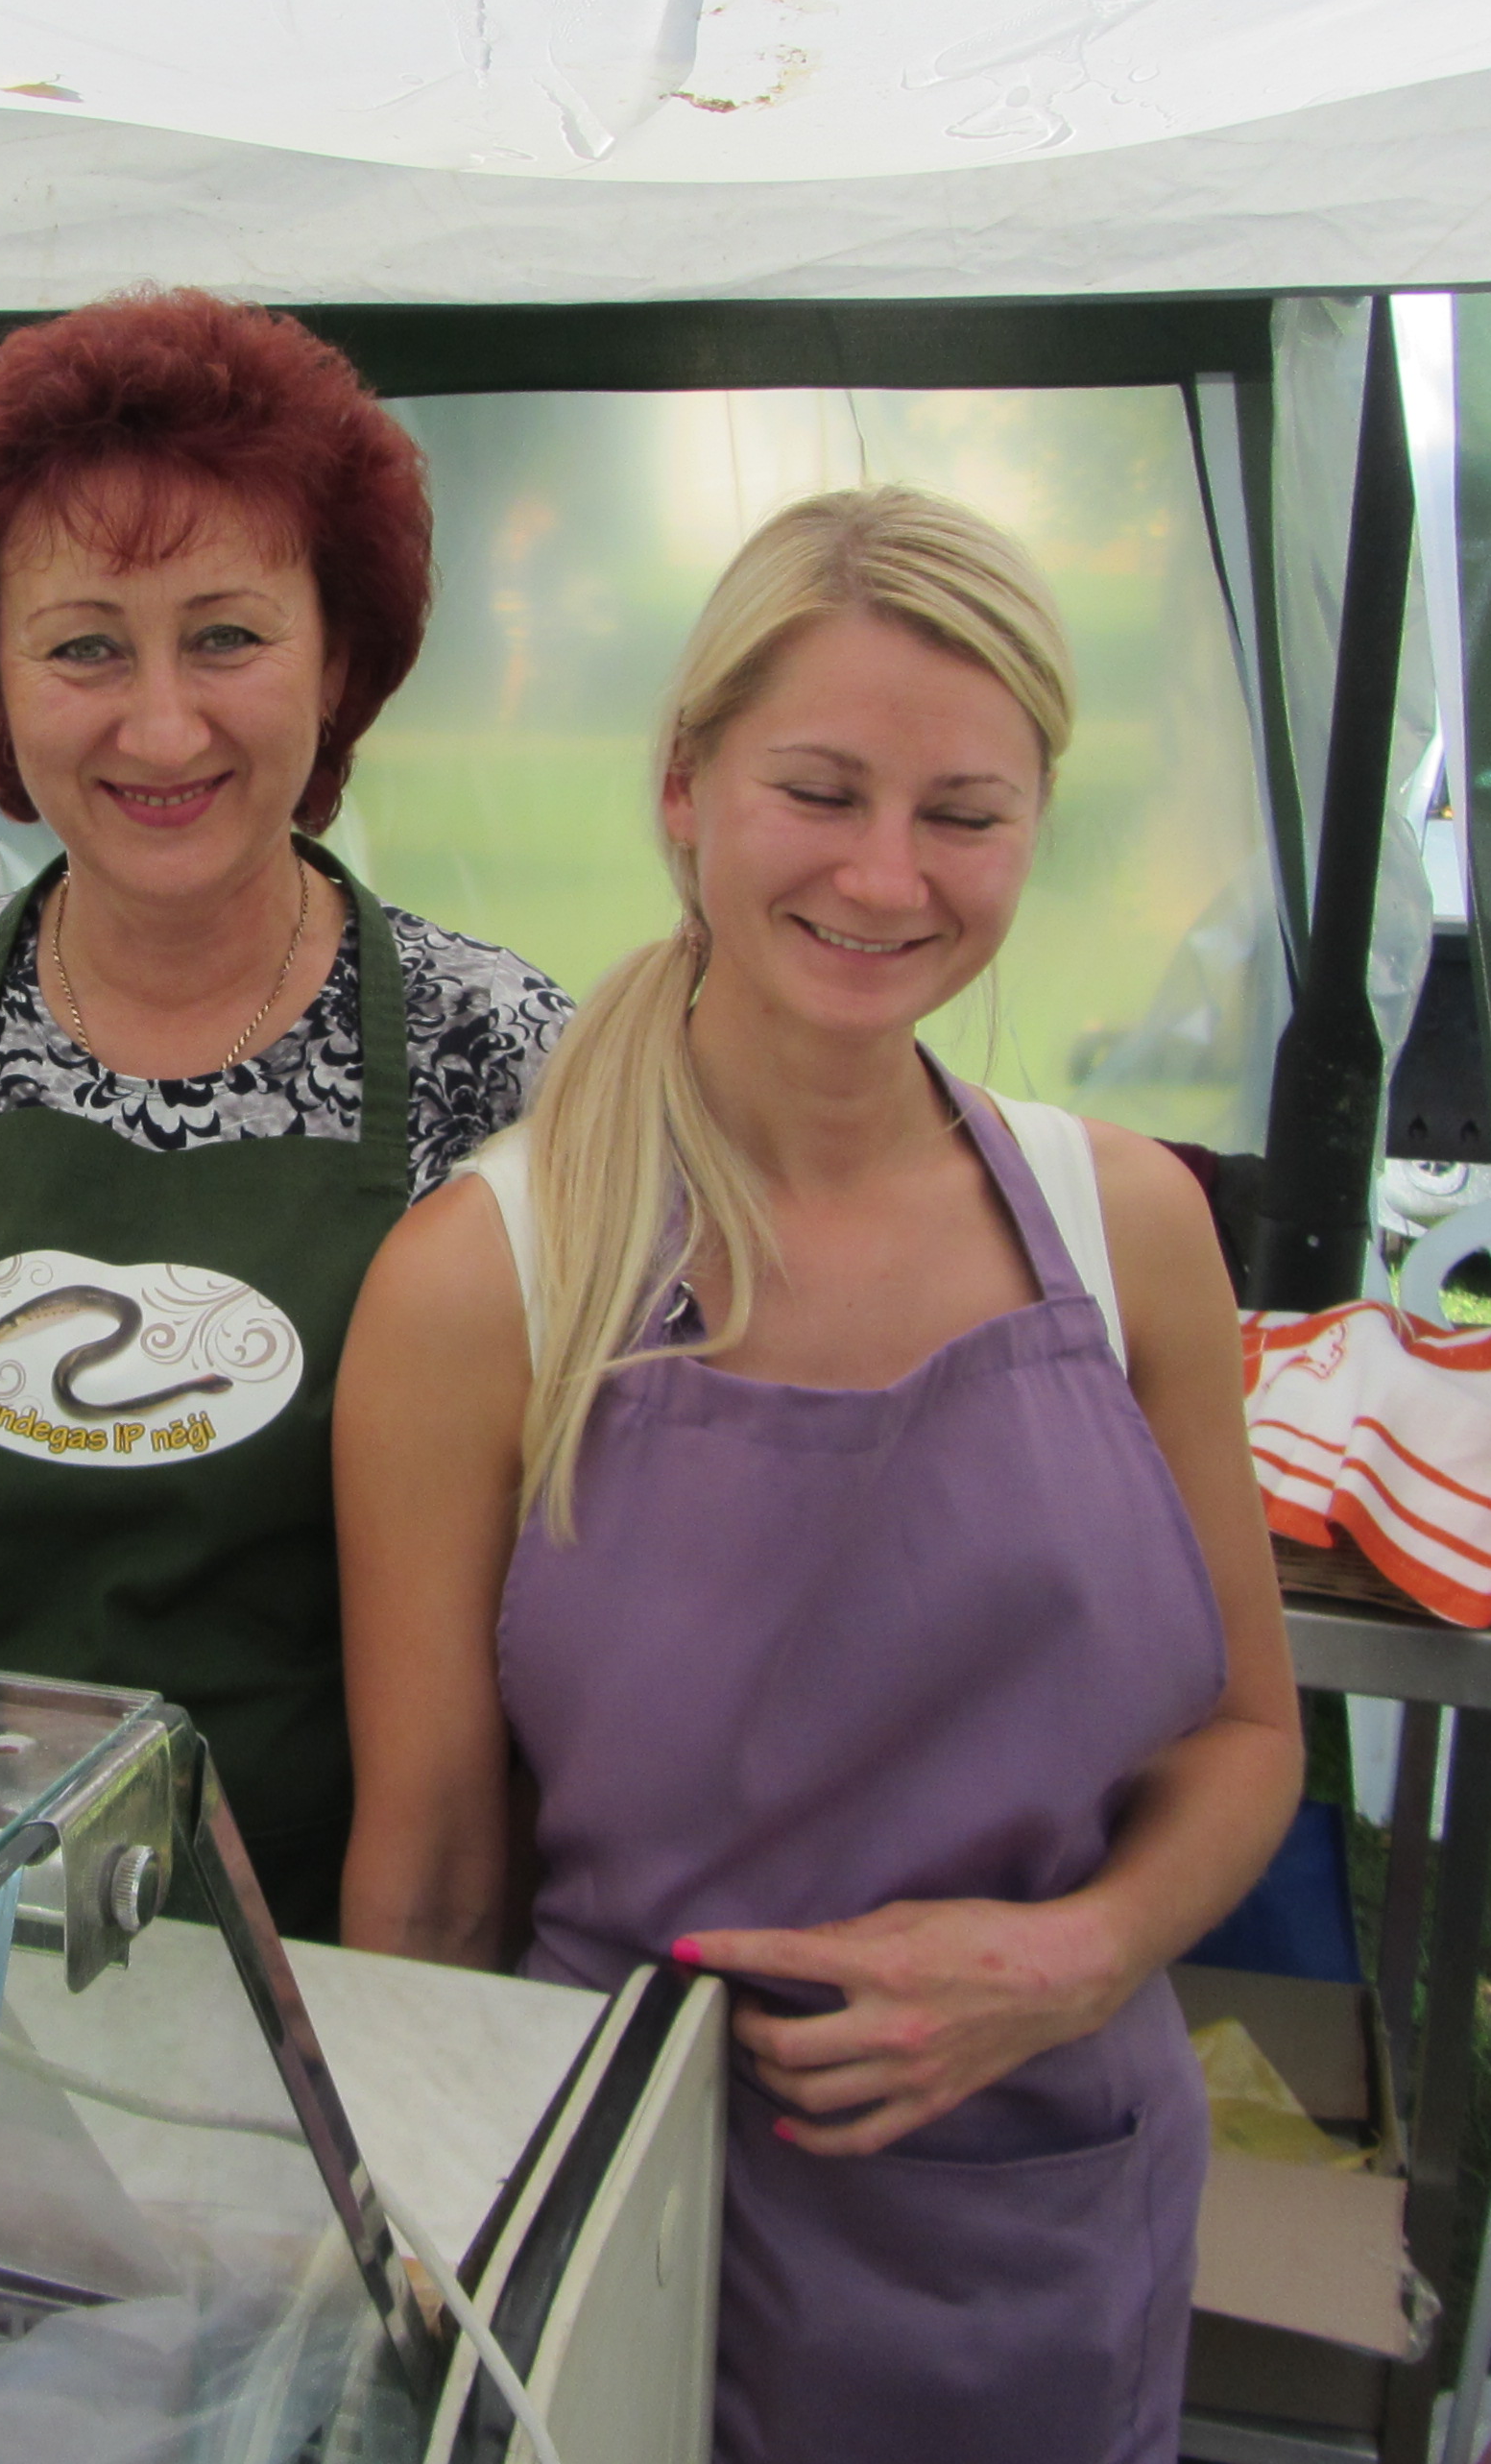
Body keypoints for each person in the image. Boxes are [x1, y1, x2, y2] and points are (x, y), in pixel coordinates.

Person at [333, 488, 1302, 2462]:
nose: (884, 875)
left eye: (963, 813)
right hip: (625, 2253)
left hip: (1047, 2258)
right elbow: (428, 1882)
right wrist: (413, 2276)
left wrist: (1081, 1954)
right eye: (820, 792)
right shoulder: (487, 1280)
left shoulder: (1126, 1228)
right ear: (684, 790)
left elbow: (1242, 1737)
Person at [0, 288, 570, 1939]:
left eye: (227, 637)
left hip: (310, 1964)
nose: (162, 726)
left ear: (338, 658)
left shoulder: (503, 1066)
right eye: (85, 645)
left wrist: (393, 2039)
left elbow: (541, 1640)